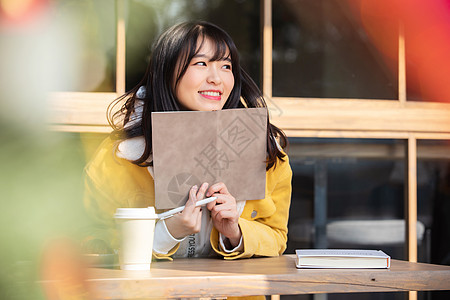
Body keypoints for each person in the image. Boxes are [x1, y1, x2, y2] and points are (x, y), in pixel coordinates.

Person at [83, 21, 292, 262]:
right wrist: (167, 232)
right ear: (167, 72)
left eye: (226, 66)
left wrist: (235, 232)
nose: (216, 78)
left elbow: (277, 237)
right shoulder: (119, 158)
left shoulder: (267, 155)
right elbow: (92, 242)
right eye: (201, 63)